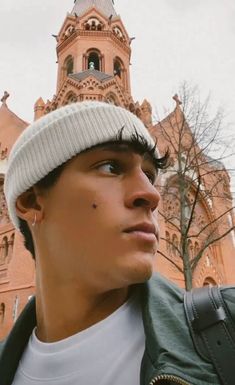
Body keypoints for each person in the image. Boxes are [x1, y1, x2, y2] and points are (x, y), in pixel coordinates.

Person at [0, 101, 221, 385]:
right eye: (111, 166)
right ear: (32, 201)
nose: (152, 195)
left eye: (150, 175)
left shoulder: (223, 331)